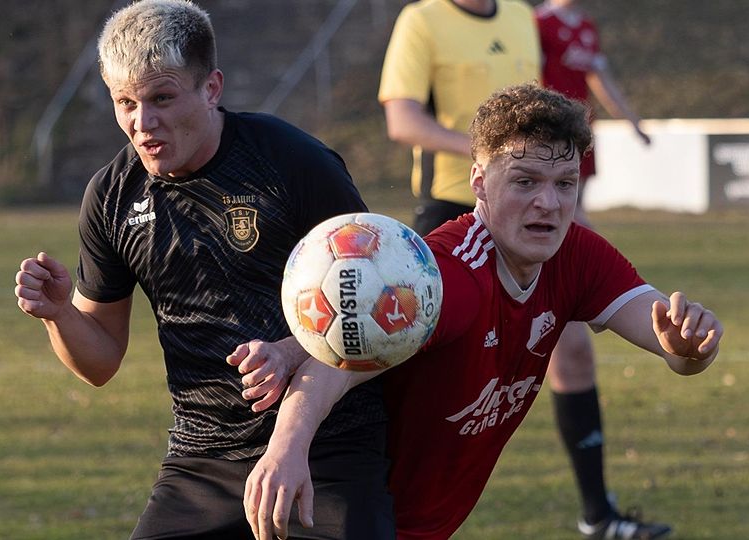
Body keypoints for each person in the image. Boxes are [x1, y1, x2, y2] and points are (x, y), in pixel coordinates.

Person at [241, 84, 722, 540]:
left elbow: (670, 343)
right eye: (525, 181)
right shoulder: (451, 276)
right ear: (479, 182)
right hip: (351, 516)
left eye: (565, 183)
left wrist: (690, 344)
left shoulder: (578, 256)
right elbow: (342, 360)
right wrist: (287, 446)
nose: (548, 203)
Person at [13, 1, 394, 538]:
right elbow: (98, 361)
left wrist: (288, 353)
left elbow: (376, 318)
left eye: (162, 98)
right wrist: (58, 315)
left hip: (328, 446)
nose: (142, 124)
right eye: (125, 102)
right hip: (203, 458)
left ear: (211, 88)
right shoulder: (112, 196)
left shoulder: (293, 163)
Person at [535, 2, 663, 537]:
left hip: (574, 147)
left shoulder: (584, 25)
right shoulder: (534, 23)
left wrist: (633, 121)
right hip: (544, 153)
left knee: (574, 349)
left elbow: (600, 76)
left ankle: (596, 513)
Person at [377, 0, 541, 236]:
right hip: (453, 203)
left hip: (525, 202)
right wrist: (494, 154)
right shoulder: (421, 19)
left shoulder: (522, 14)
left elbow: (541, 110)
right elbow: (403, 122)